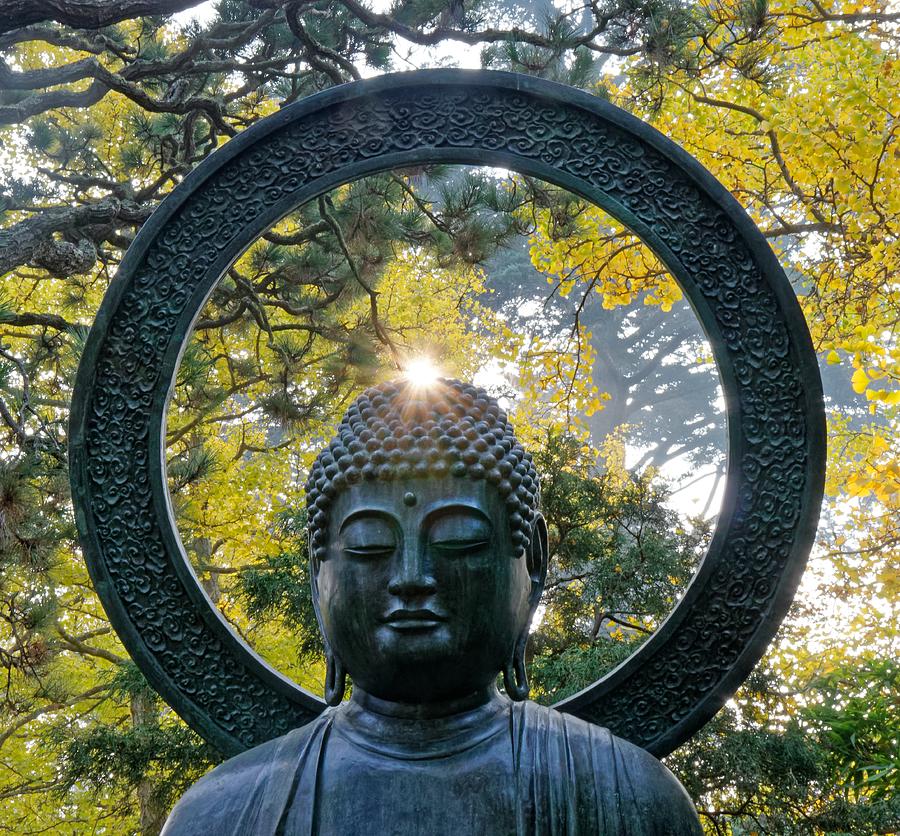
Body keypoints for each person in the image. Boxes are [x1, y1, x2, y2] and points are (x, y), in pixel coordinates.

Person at [162, 379, 703, 835]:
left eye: (459, 540)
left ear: (533, 565)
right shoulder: (220, 813)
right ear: (316, 574)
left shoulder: (629, 796)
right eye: (370, 544)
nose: (411, 578)